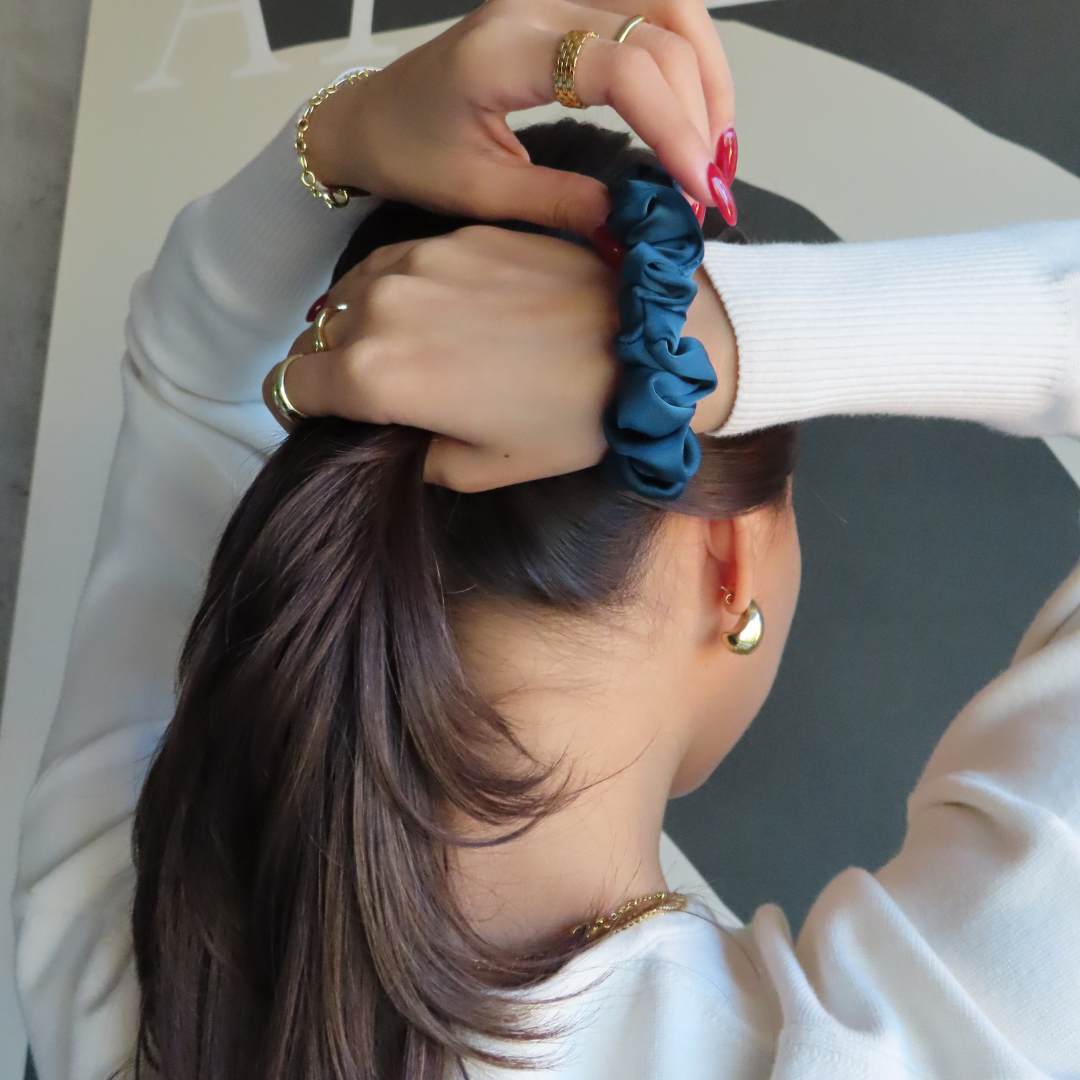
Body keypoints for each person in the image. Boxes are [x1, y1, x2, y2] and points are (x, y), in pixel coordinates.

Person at [12, 4, 1080, 1080]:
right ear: (731, 560)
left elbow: (189, 378)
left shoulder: (131, 952)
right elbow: (192, 377)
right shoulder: (929, 1044)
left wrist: (337, 141)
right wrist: (703, 342)